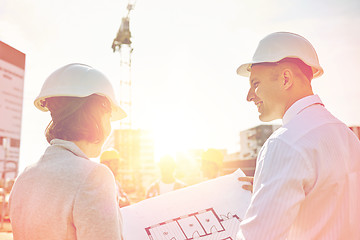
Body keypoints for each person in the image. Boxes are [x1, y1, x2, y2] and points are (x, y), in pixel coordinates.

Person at [236, 32, 360, 239]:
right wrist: (268, 191)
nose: (249, 96)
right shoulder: (347, 136)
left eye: (255, 84)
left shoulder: (284, 143)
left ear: (285, 79)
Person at [9, 64, 127, 240]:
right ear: (95, 112)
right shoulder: (95, 177)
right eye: (109, 116)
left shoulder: (24, 178)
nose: (109, 126)